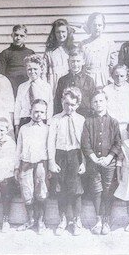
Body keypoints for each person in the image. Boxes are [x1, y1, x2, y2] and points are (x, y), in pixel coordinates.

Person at [81, 90, 122, 235]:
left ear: (106, 102)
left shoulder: (113, 122)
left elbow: (118, 143)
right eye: (95, 101)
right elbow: (85, 143)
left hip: (109, 163)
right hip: (94, 162)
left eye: (101, 101)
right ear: (92, 104)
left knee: (108, 190)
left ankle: (106, 221)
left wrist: (109, 157)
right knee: (97, 190)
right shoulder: (88, 122)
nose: (98, 104)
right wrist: (93, 158)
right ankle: (98, 220)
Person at [47, 87, 86, 236]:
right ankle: (63, 219)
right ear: (62, 101)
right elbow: (50, 142)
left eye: (72, 104)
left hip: (75, 155)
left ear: (78, 104)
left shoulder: (81, 120)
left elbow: (83, 143)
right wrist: (51, 161)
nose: (69, 107)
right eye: (66, 103)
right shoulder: (55, 119)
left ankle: (76, 220)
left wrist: (83, 162)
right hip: (60, 156)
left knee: (76, 189)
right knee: (60, 188)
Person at [15, 99, 50, 233]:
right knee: (27, 193)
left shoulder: (48, 129)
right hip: (26, 164)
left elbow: (50, 149)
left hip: (41, 164)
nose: (38, 115)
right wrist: (16, 167)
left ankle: (41, 221)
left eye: (42, 112)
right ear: (30, 112)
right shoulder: (24, 129)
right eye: (35, 112)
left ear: (46, 114)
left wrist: (49, 168)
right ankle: (31, 220)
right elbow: (18, 149)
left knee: (41, 193)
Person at [14, 54, 53, 133]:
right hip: (25, 119)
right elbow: (18, 106)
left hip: (41, 119)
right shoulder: (22, 87)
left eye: (35, 69)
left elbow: (50, 105)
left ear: (41, 69)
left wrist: (48, 123)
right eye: (29, 69)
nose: (32, 72)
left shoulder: (46, 86)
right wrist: (16, 124)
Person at [54, 49, 96, 117]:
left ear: (83, 62)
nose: (75, 64)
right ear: (68, 62)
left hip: (85, 116)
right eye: (72, 61)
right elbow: (57, 102)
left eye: (78, 61)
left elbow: (93, 101)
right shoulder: (62, 80)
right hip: (66, 116)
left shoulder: (89, 80)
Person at [44, 19, 79, 96]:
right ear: (54, 33)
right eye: (58, 32)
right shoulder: (49, 51)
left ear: (68, 32)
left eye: (63, 32)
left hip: (69, 82)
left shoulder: (72, 49)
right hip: (53, 83)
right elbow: (44, 72)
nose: (61, 34)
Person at [81, 12, 118, 88]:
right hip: (87, 78)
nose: (97, 27)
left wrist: (111, 78)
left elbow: (113, 64)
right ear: (90, 26)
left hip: (104, 78)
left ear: (103, 26)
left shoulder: (109, 43)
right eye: (94, 25)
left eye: (99, 25)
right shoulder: (83, 44)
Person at [0, 25, 35, 96]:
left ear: (25, 37)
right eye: (16, 35)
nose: (18, 38)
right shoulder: (5, 53)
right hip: (10, 87)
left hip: (26, 86)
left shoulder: (30, 53)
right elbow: (1, 74)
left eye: (21, 36)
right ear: (12, 35)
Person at [103, 64, 129, 135]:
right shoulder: (107, 89)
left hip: (125, 124)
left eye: (122, 76)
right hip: (110, 124)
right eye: (116, 76)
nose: (119, 78)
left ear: (126, 77)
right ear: (112, 76)